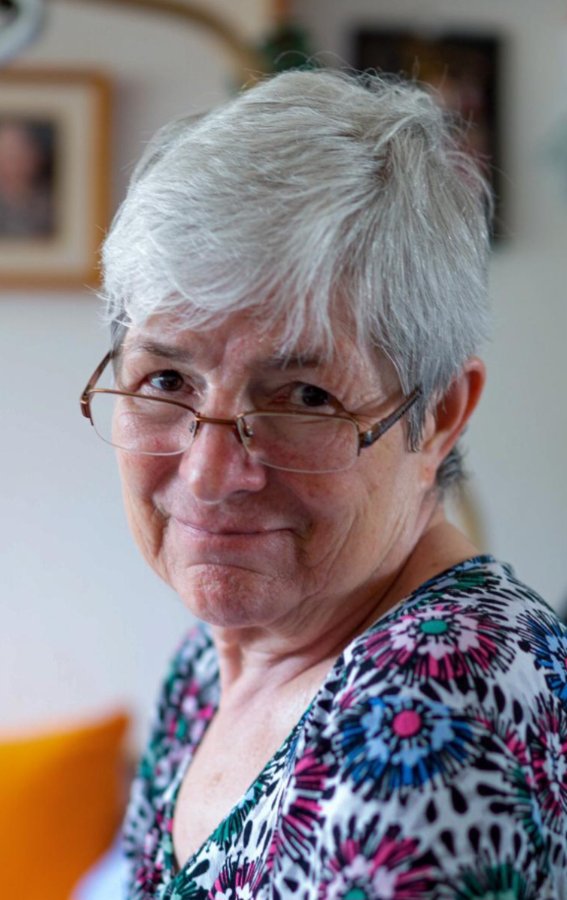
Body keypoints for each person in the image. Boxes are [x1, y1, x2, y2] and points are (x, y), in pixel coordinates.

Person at [80, 70, 567, 898]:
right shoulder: (218, 655)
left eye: (304, 397)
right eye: (166, 380)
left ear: (439, 414)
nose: (208, 474)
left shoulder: (433, 713)